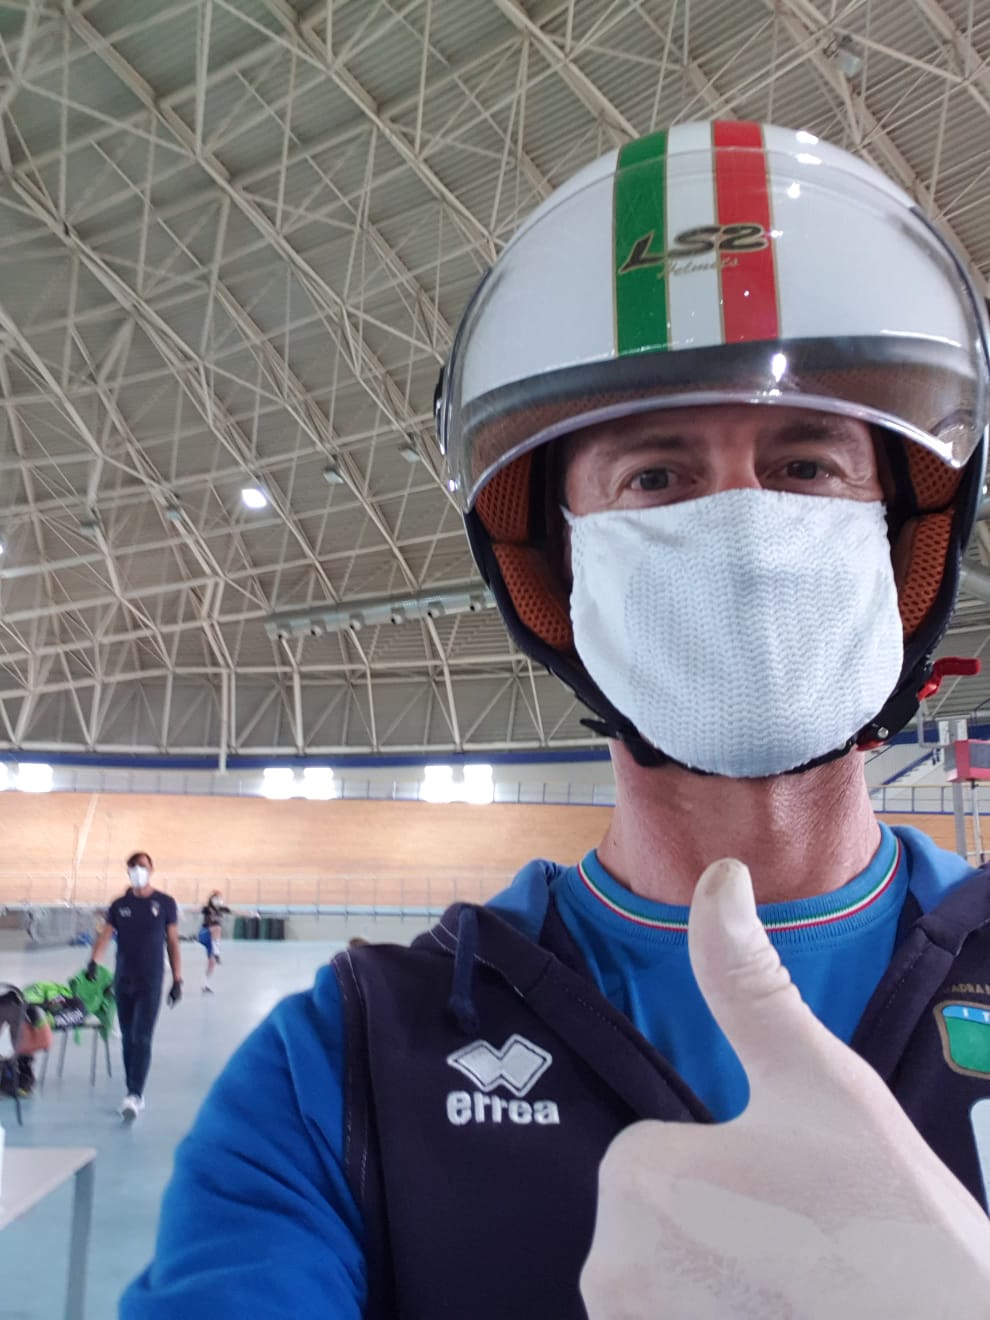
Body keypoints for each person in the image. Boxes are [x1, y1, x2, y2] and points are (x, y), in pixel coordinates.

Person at [121, 122, 990, 1316]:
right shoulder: (344, 1068)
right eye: (658, 475)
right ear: (554, 570)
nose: (741, 531)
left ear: (908, 539)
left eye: (805, 466)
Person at [88, 851, 182, 1119]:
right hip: (123, 979)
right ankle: (132, 1089)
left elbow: (173, 941)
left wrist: (177, 979)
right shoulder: (119, 905)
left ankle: (135, 1094)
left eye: (142, 866)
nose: (137, 870)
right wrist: (94, 961)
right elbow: (106, 936)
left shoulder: (164, 903)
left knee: (142, 1037)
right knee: (128, 1038)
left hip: (150, 980)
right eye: (133, 866)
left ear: (151, 869)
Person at [198, 890, 229, 993]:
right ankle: (217, 952)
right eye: (216, 898)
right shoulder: (207, 909)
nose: (218, 900)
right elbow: (195, 910)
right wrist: (180, 910)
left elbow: (237, 911)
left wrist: (252, 914)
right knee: (217, 927)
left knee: (212, 962)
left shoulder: (221, 909)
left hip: (212, 940)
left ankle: (205, 985)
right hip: (204, 934)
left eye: (219, 898)